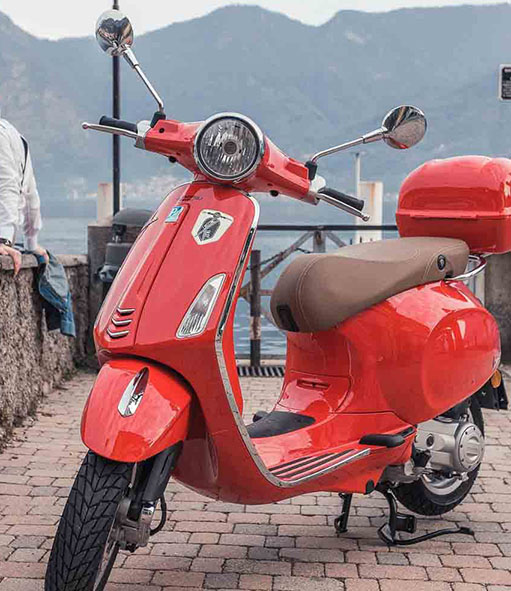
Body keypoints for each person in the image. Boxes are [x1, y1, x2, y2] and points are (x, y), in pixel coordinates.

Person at [0, 113, 48, 274]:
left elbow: (7, 187)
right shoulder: (14, 135)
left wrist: (3, 240)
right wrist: (31, 243)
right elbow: (30, 197)